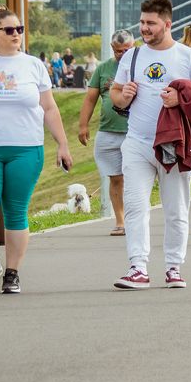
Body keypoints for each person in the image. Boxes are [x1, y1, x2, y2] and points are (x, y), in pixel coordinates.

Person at [109, 0, 191, 289]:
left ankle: (173, 267)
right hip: (137, 142)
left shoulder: (188, 57)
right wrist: (123, 96)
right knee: (135, 206)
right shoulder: (132, 56)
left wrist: (180, 98)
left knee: (175, 208)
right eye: (142, 22)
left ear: (167, 24)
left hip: (174, 144)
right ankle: (137, 267)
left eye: (151, 23)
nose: (144, 28)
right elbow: (115, 94)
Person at [0, 6, 72, 294]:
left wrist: (63, 144)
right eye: (9, 30)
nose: (16, 34)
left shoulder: (33, 65)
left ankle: (12, 272)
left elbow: (49, 107)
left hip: (26, 149)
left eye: (19, 29)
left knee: (16, 212)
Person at [78, 29, 135, 236]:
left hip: (135, 133)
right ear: (113, 49)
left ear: (133, 46)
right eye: (118, 51)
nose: (122, 54)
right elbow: (90, 99)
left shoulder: (141, 66)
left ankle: (135, 219)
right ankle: (120, 221)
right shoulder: (103, 69)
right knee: (116, 178)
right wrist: (83, 125)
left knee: (136, 178)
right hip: (108, 131)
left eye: (126, 50)